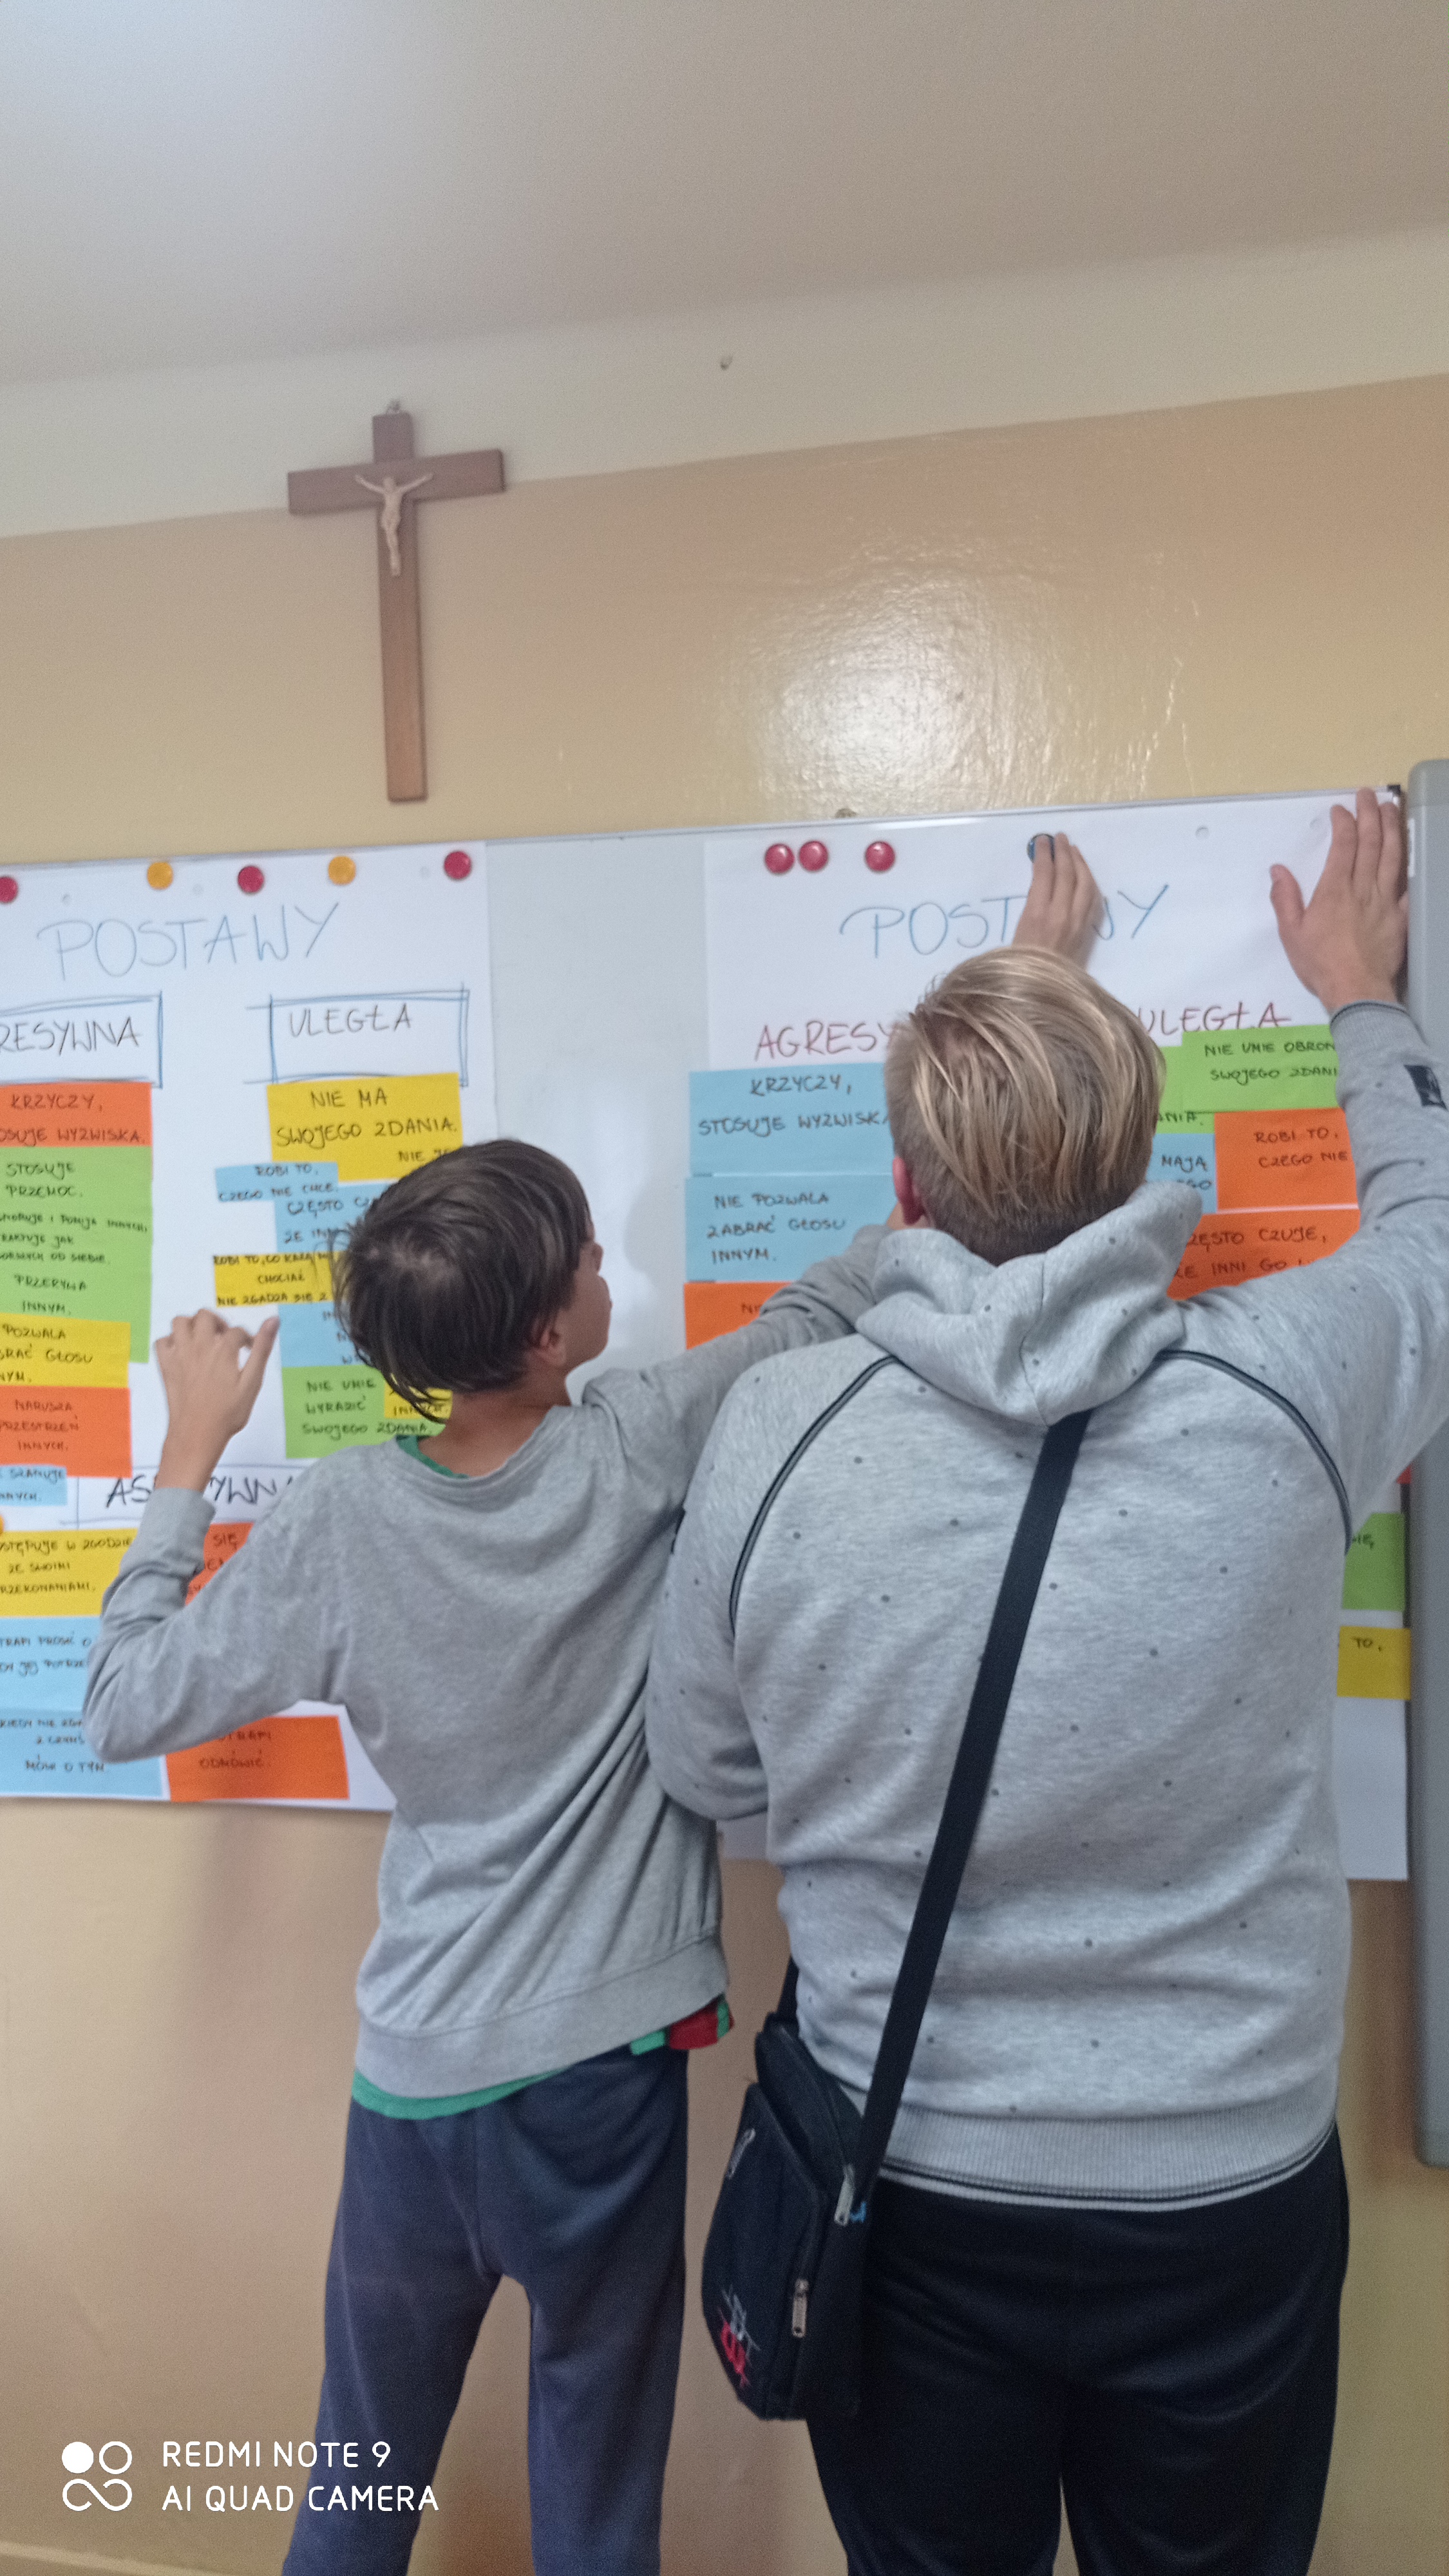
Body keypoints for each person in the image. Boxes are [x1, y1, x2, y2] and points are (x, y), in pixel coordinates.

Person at [645, 791, 1445, 2576]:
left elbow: (706, 1764)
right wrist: (1358, 997)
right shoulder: (1292, 1387)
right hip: (1223, 2191)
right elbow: (1437, 1231)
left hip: (904, 2190)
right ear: (1145, 1164)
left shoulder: (778, 1426)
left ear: (906, 1189)